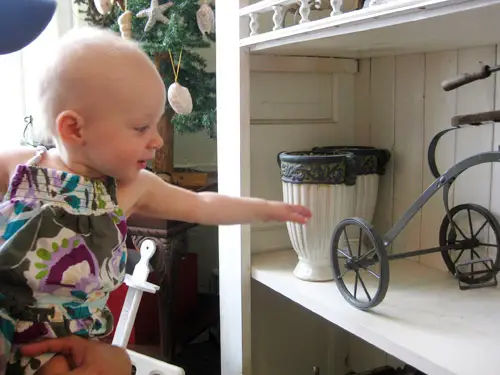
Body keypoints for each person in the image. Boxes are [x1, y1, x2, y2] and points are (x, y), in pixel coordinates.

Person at [0, 2, 312, 375]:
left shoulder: (132, 187)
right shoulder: (21, 165)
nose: (157, 141)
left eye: (157, 125)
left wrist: (266, 209)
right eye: (140, 128)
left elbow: (203, 206)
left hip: (71, 351)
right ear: (74, 129)